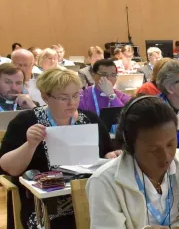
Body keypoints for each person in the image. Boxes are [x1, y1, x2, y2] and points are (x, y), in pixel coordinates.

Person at [86, 96, 179, 229]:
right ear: (130, 144)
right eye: (154, 149)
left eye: (171, 144)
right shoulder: (105, 182)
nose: (166, 156)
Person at [0, 69, 118, 228]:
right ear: (45, 97)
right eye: (63, 97)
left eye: (76, 95)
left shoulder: (90, 119)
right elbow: (8, 168)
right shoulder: (26, 122)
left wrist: (112, 155)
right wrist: (30, 145)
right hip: (44, 201)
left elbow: (107, 152)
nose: (72, 102)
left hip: (89, 194)